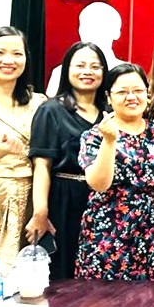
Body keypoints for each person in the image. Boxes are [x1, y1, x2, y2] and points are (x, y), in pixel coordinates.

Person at [75, 63, 154, 280]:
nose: (131, 97)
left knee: (146, 298)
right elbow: (98, 184)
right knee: (103, 299)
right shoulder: (95, 135)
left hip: (148, 233)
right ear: (109, 97)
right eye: (122, 92)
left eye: (138, 90)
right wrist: (109, 141)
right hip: (107, 233)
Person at [28, 41, 108, 281]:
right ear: (66, 70)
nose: (87, 72)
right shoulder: (51, 110)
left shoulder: (109, 112)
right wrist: (40, 212)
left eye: (95, 66)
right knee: (64, 273)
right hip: (65, 198)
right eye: (80, 65)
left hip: (105, 201)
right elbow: (42, 165)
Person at [0, 26, 46, 268]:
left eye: (17, 54)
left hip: (27, 200)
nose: (8, 60)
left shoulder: (39, 102)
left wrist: (41, 210)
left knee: (25, 276)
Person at [45, 2, 124, 95]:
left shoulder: (127, 72)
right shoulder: (61, 72)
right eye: (86, 25)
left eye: (99, 26)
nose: (92, 31)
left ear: (117, 32)